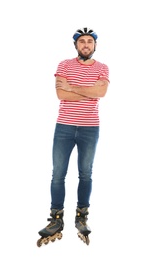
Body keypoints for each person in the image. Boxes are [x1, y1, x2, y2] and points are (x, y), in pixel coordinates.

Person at [37, 27, 110, 246]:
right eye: (82, 42)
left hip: (90, 127)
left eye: (89, 41)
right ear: (76, 45)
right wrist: (86, 88)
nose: (86, 45)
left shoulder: (103, 67)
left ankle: (82, 216)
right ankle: (56, 218)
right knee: (58, 174)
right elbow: (61, 94)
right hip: (64, 127)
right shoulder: (64, 65)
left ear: (95, 45)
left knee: (85, 173)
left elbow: (101, 92)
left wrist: (73, 87)